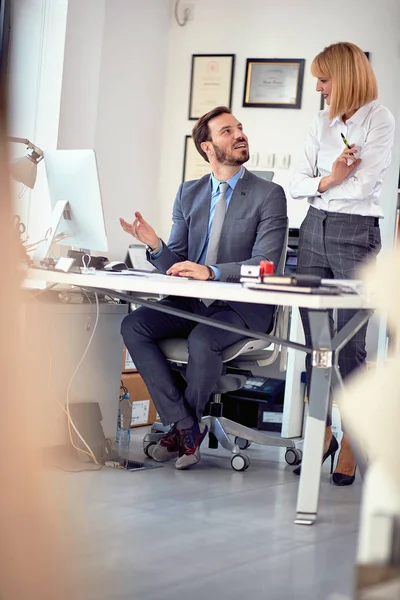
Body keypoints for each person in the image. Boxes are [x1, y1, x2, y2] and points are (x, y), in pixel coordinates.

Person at [120, 106, 288, 470]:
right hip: (195, 303)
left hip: (244, 309)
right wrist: (155, 246)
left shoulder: (268, 194)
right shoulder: (189, 193)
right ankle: (186, 426)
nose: (239, 135)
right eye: (227, 131)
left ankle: (180, 429)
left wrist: (210, 272)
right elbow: (177, 266)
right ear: (209, 148)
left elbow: (266, 264)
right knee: (133, 325)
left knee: (201, 340)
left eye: (240, 128)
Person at [289, 42, 395, 485]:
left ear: (347, 78)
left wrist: (324, 185)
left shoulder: (380, 119)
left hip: (355, 235)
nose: (318, 88)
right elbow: (295, 184)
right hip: (313, 230)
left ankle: (352, 437)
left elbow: (366, 185)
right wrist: (331, 178)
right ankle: (322, 434)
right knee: (315, 339)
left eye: (325, 79)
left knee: (350, 345)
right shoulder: (319, 121)